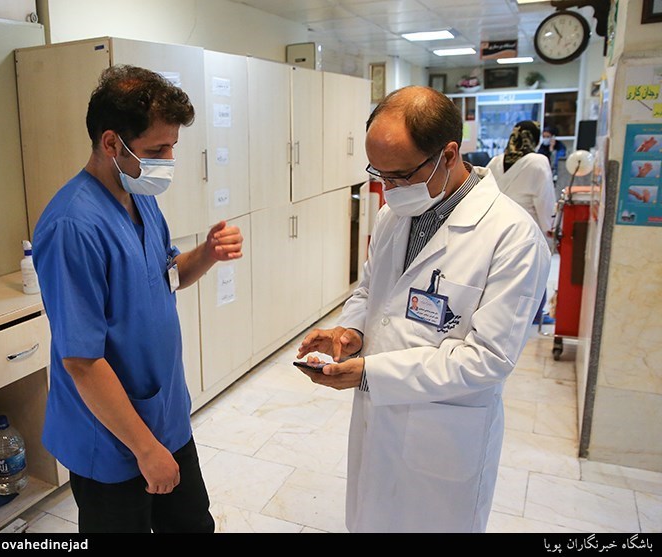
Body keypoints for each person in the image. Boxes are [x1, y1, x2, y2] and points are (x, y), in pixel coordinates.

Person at [295, 86, 550, 533]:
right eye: (378, 173)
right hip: (379, 418)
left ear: (448, 155)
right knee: (370, 519)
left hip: (443, 431)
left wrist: (371, 373)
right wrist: (350, 332)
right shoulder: (393, 215)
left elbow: (489, 359)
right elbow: (371, 290)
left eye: (398, 175)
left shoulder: (513, 237)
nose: (386, 188)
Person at [32, 65, 243, 533]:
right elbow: (82, 362)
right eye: (156, 150)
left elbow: (165, 276)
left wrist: (207, 253)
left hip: (164, 415)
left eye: (172, 147)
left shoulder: (140, 196)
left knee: (192, 526)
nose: (169, 160)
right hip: (111, 438)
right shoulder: (72, 227)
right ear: (111, 143)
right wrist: (145, 450)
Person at [486, 120, 556, 325]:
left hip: (494, 227)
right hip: (527, 229)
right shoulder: (538, 161)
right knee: (533, 275)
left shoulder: (496, 161)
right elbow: (545, 200)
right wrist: (550, 227)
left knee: (500, 276)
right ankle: (534, 315)